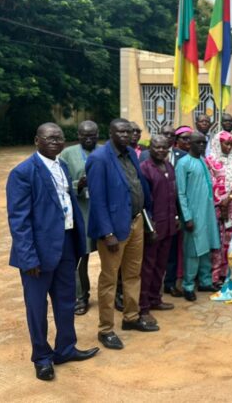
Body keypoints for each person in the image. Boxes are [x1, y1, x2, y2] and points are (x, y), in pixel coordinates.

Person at [7, 123, 99, 381]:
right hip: (37, 253)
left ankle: (66, 348)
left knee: (66, 301)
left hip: (66, 245)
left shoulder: (62, 166)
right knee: (37, 308)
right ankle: (42, 358)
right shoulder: (23, 172)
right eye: (49, 138)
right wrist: (28, 258)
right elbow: (19, 220)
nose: (56, 142)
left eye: (59, 138)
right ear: (37, 140)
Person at [86, 118, 155, 350]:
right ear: (110, 133)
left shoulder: (131, 153)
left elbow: (138, 185)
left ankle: (131, 317)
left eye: (128, 131)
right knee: (109, 279)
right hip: (114, 230)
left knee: (133, 274)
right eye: (121, 132)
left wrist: (147, 215)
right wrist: (107, 233)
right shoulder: (99, 159)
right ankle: (106, 329)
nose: (126, 135)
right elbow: (97, 200)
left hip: (136, 222)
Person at [59, 120, 100, 316]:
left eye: (92, 135)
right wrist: (79, 185)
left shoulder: (105, 152)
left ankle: (116, 295)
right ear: (78, 135)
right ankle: (81, 296)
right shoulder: (67, 154)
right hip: (81, 213)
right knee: (80, 258)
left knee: (112, 259)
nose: (88, 138)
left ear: (98, 135)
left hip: (102, 214)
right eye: (85, 135)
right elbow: (60, 183)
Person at [175, 132, 221, 301]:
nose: (201, 145)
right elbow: (180, 192)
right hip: (193, 214)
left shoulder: (202, 161)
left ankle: (205, 281)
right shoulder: (183, 163)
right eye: (198, 143)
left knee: (206, 247)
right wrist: (187, 217)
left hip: (207, 212)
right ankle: (188, 285)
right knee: (193, 250)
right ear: (190, 144)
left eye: (204, 143)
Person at [138, 135, 178, 325]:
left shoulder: (168, 166)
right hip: (153, 226)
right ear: (150, 148)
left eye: (164, 148)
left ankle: (155, 298)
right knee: (148, 267)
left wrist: (176, 218)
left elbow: (172, 195)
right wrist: (149, 227)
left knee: (161, 265)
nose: (161, 150)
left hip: (168, 224)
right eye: (157, 147)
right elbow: (144, 202)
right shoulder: (145, 169)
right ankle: (143, 306)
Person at [206, 131, 232, 286]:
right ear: (218, 143)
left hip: (231, 206)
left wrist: (229, 198)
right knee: (215, 239)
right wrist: (219, 201)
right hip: (213, 207)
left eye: (231, 144)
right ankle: (212, 276)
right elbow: (209, 183)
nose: (230, 147)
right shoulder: (209, 160)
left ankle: (225, 273)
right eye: (227, 144)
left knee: (229, 239)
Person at [162, 125, 192, 298]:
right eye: (165, 134)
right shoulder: (146, 156)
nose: (168, 137)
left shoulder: (183, 156)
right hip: (157, 210)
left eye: (171, 135)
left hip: (176, 209)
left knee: (172, 249)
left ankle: (170, 283)